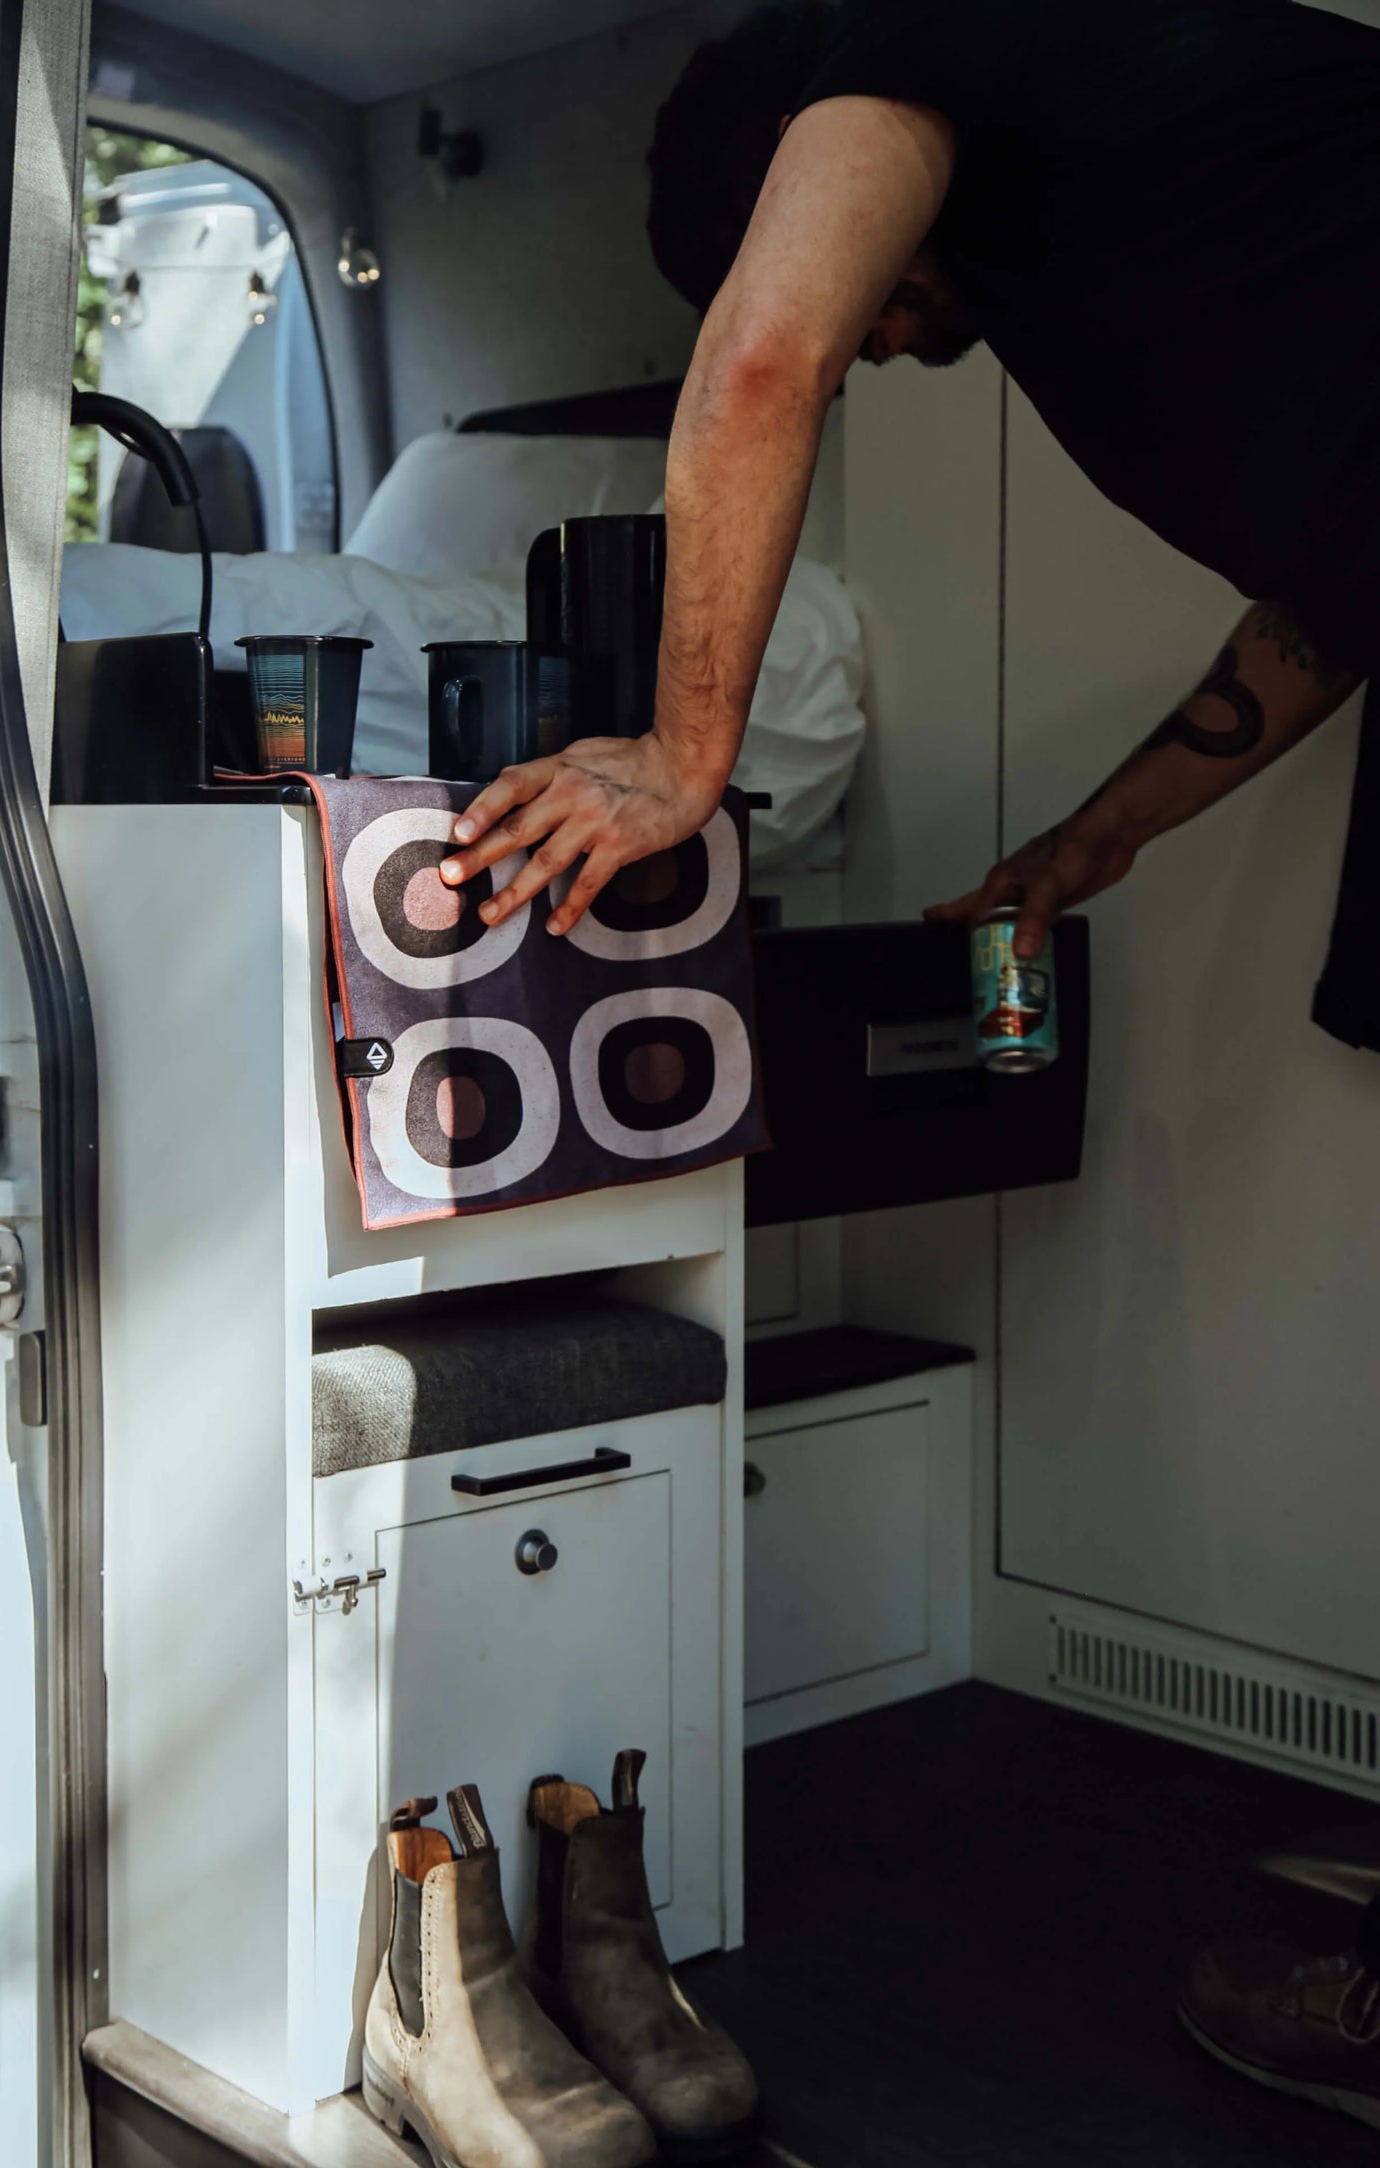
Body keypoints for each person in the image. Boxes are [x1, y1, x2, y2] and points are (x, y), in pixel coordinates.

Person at [439, 3, 1380, 2118]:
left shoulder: (897, 43)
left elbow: (762, 355)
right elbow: (1329, 604)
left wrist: (682, 752)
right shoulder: (1197, 218)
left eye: (865, 299)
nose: (875, 343)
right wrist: (1095, 842)